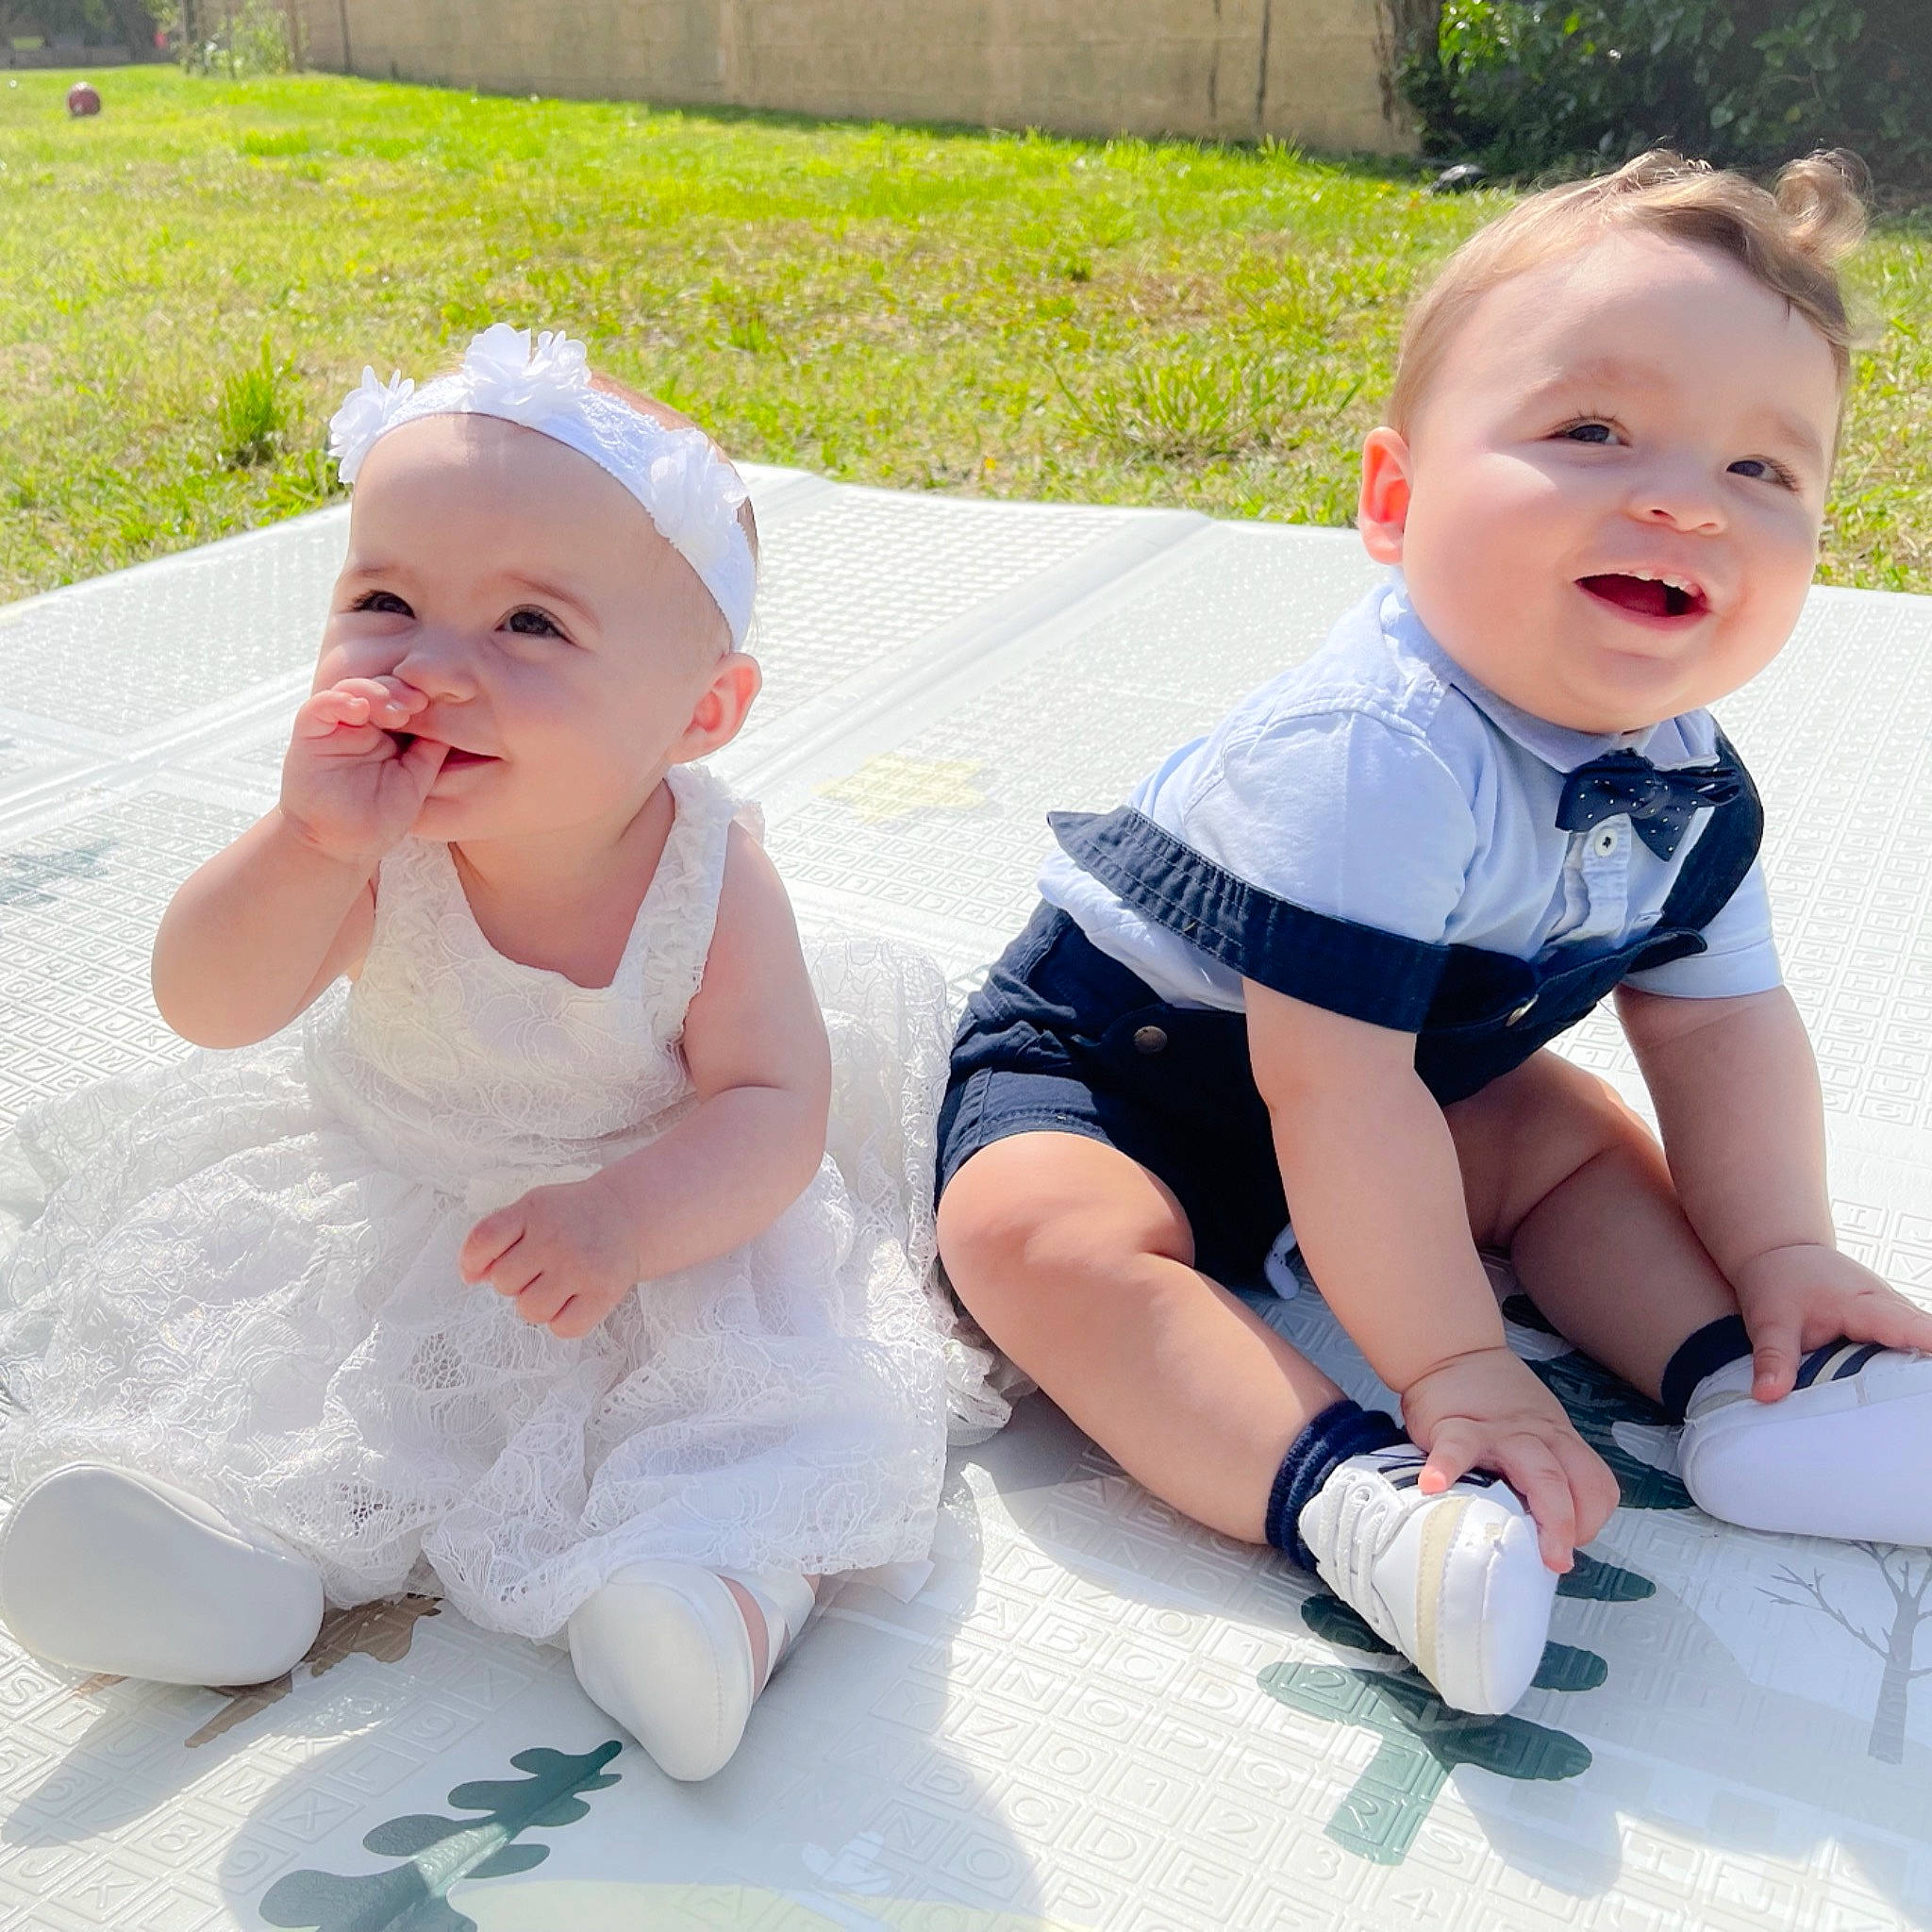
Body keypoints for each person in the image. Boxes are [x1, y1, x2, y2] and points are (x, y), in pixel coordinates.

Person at [936, 151, 1932, 1716]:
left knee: (1574, 1145)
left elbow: (1720, 1025)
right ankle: (1360, 1497)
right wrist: (1458, 1366)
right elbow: (1329, 1092)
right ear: (1395, 503)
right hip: (1128, 1077)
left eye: (1763, 468)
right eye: (1592, 431)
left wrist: (1783, 1248)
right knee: (1027, 1238)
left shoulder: (1684, 778)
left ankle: (1756, 1379)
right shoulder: (1371, 749)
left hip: (1407, 1081)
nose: (1685, 499)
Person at [0, 325, 956, 1782]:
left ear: (699, 712)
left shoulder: (706, 880)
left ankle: (706, 1600)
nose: (433, 669)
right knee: (287, 1383)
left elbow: (773, 1106)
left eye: (528, 627)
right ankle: (212, 1557)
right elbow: (209, 1004)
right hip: (390, 1187)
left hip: (648, 1220)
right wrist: (305, 844)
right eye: (385, 601)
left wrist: (628, 1219)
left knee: (754, 1424)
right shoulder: (372, 837)